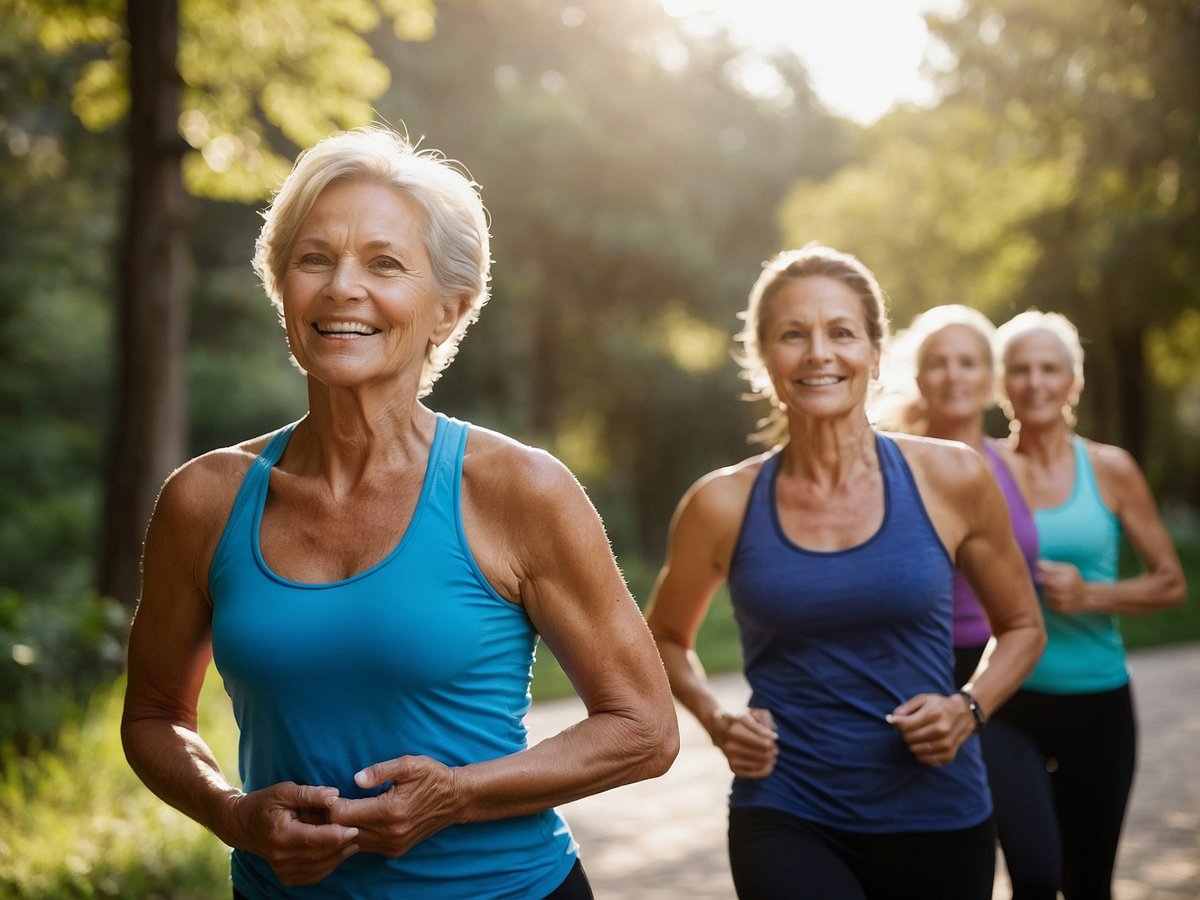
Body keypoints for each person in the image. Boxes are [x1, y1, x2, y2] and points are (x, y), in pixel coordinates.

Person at [121, 126, 679, 899]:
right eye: (315, 258)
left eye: (384, 263)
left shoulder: (518, 490)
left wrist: (459, 795)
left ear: (449, 310)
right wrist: (232, 813)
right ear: (283, 288)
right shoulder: (205, 499)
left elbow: (644, 730)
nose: (342, 287)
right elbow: (154, 715)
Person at [644, 245, 1045, 900]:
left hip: (938, 810)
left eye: (841, 332)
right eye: (792, 335)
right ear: (763, 357)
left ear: (876, 354)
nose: (818, 354)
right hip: (786, 809)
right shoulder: (720, 503)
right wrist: (718, 721)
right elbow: (662, 636)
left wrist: (969, 708)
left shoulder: (952, 477)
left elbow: (1024, 626)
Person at [987, 310, 1187, 900]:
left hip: (1098, 704)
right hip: (1008, 704)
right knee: (1034, 878)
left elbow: (1170, 583)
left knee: (1090, 884)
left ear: (1074, 382)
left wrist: (1090, 594)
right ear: (1001, 384)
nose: (1035, 382)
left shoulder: (1111, 468)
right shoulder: (979, 470)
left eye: (1050, 369)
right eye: (1020, 369)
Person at [873, 304, 1039, 687]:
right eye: (938, 363)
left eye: (967, 362)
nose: (953, 375)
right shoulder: (889, 469)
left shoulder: (1016, 467)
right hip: (911, 668)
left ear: (991, 378)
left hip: (1009, 667)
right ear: (919, 379)